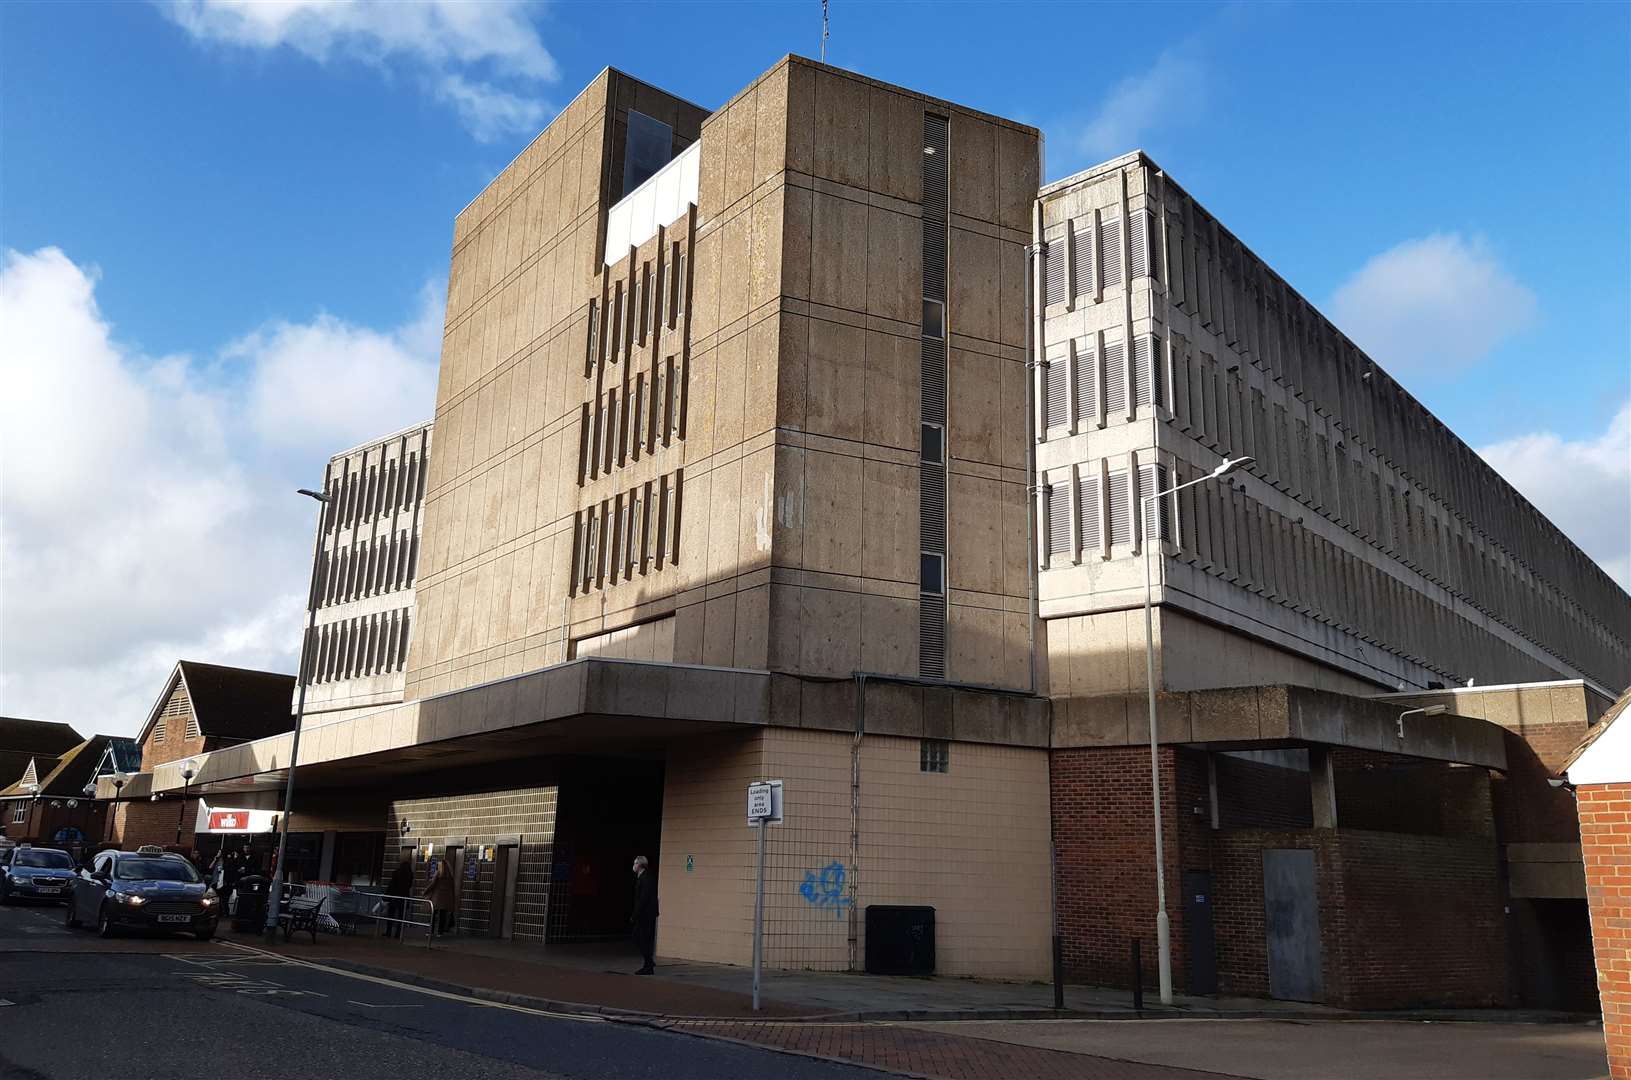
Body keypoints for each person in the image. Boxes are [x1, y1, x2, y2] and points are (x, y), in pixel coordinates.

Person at [630, 855, 658, 975]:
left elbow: (643, 899)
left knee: (641, 938)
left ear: (640, 865)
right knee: (640, 938)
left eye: (635, 863)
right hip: (646, 914)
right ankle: (649, 963)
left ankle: (648, 964)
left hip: (645, 915)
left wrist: (635, 915)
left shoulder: (645, 878)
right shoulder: (644, 877)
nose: (634, 866)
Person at [423, 857, 456, 934]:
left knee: (433, 915)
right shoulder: (450, 876)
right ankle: (440, 932)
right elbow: (452, 887)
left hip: (437, 898)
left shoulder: (438, 873)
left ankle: (431, 931)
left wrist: (425, 891)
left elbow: (432, 884)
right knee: (442, 915)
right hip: (446, 898)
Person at [384, 858, 414, 939]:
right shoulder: (410, 875)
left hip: (394, 897)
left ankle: (388, 932)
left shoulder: (396, 873)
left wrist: (387, 896)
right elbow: (409, 886)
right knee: (401, 917)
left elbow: (391, 885)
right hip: (404, 898)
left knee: (391, 915)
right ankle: (398, 934)